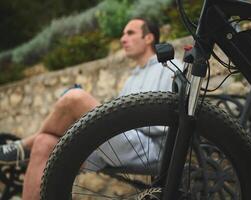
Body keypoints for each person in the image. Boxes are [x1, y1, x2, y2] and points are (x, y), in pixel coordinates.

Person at [0, 18, 180, 200]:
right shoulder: (132, 78)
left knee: (75, 97)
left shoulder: (169, 67)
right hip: (125, 143)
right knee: (44, 142)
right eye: (123, 34)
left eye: (130, 33)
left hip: (154, 149)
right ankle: (31, 144)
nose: (123, 39)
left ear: (149, 38)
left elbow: (174, 119)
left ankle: (23, 146)